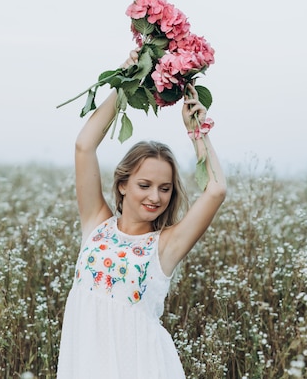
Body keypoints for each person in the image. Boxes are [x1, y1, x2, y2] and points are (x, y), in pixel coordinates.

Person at [56, 50, 226, 379]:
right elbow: (84, 146)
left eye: (165, 188)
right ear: (122, 185)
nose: (154, 197)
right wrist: (126, 80)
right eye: (144, 184)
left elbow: (216, 190)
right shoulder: (96, 223)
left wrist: (198, 131)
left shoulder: (165, 244)